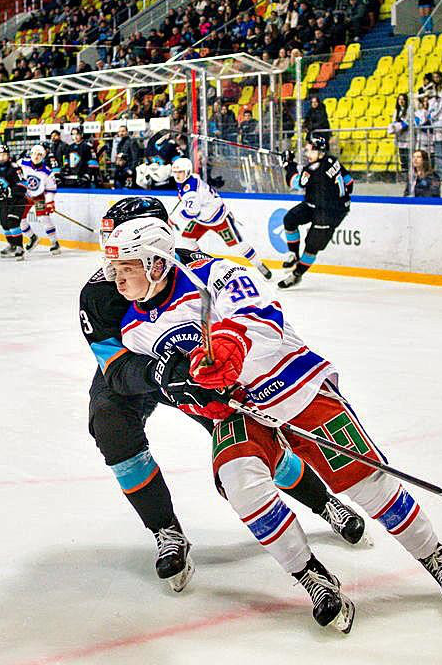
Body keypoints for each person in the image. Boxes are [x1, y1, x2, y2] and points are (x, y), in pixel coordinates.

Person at [101, 217, 442, 632]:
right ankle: (312, 575)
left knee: (364, 481)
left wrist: (232, 344)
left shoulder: (216, 274)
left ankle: (434, 555)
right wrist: (197, 399)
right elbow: (174, 386)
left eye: (127, 268)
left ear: (156, 263)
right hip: (240, 411)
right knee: (240, 484)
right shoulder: (133, 330)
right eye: (115, 270)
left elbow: (266, 319)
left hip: (292, 384)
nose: (117, 280)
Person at [83, 197, 365, 593]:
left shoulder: (197, 272)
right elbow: (115, 369)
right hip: (143, 369)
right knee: (110, 424)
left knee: (248, 442)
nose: (112, 261)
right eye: (108, 240)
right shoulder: (97, 294)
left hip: (199, 367)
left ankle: (324, 503)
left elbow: (249, 320)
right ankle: (167, 531)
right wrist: (161, 371)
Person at [170, 157, 271, 279]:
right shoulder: (192, 178)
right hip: (202, 220)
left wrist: (174, 219)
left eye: (180, 172)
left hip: (219, 219)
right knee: (187, 239)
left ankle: (259, 265)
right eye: (175, 172)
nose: (177, 176)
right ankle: (203, 264)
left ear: (187, 171)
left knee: (237, 246)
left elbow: (192, 212)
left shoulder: (190, 191)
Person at [278, 139, 353, 289]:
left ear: (320, 152)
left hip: (331, 213)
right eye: (306, 150)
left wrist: (288, 164)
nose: (307, 154)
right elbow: (349, 182)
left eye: (310, 151)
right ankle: (294, 255)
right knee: (290, 219)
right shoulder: (332, 160)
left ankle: (296, 275)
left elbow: (295, 182)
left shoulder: (314, 169)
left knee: (312, 247)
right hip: (316, 204)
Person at [0, 145, 28, 259]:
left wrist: (10, 191)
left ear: (8, 155)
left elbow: (23, 185)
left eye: (4, 155)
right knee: (4, 224)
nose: (2, 157)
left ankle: (19, 247)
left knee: (12, 222)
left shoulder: (14, 168)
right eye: (0, 155)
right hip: (3, 202)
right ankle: (12, 245)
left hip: (17, 201)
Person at [20, 143, 60, 254]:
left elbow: (51, 188)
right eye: (34, 154)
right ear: (31, 154)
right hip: (27, 195)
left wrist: (50, 202)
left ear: (43, 156)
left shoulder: (47, 171)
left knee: (43, 218)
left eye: (39, 154)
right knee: (20, 218)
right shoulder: (23, 163)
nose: (36, 156)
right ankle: (32, 238)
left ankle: (54, 242)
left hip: (39, 196)